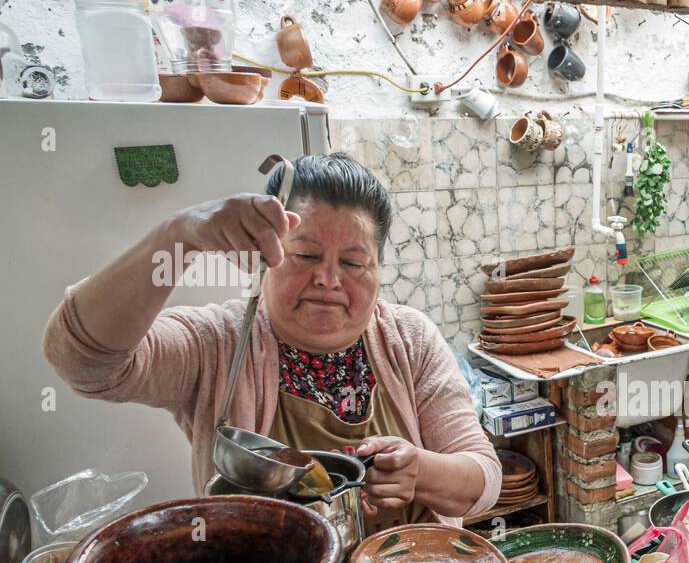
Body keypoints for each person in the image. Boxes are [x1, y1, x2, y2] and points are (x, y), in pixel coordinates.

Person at [43, 152, 500, 529]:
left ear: (379, 270)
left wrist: (421, 471)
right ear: (267, 259)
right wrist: (176, 236)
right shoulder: (217, 342)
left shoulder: (409, 338)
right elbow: (85, 361)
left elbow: (483, 477)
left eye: (354, 263)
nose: (327, 280)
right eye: (305, 255)